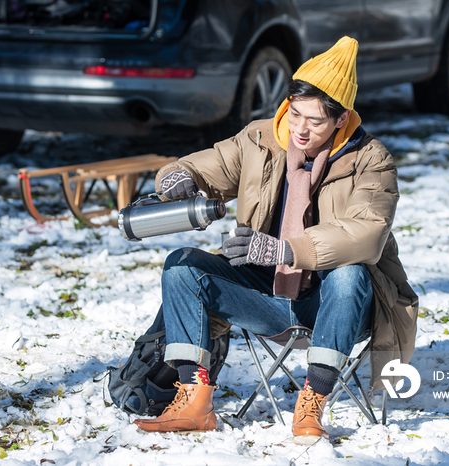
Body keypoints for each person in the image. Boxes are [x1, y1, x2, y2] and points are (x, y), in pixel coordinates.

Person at [133, 36, 417, 443]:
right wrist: (179, 177)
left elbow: (366, 235)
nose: (300, 129)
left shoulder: (372, 160)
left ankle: (313, 400)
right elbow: (204, 166)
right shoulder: (260, 138)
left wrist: (284, 249)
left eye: (315, 121)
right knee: (182, 266)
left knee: (351, 273)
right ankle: (193, 397)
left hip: (336, 306)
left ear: (341, 120)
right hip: (264, 294)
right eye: (294, 113)